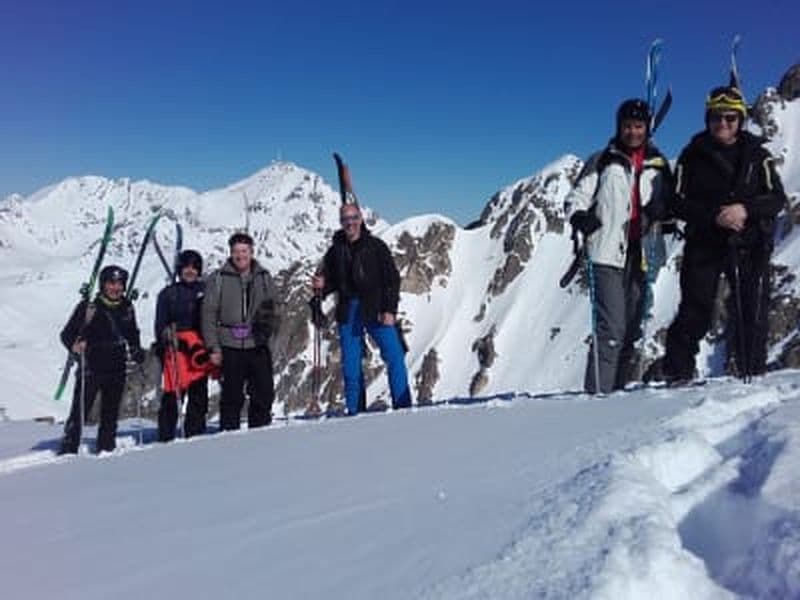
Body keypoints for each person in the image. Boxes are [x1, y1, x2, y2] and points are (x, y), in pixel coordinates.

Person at [648, 85, 786, 383]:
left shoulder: (757, 155)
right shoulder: (692, 155)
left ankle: (753, 376)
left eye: (729, 118)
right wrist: (715, 216)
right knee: (695, 310)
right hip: (705, 242)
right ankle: (677, 375)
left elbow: (777, 199)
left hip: (749, 243)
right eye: (715, 118)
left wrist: (745, 210)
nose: (722, 124)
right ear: (707, 119)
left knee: (752, 311)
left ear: (740, 119)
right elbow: (676, 201)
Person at [565, 98, 673, 393]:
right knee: (611, 329)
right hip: (605, 253)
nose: (633, 132)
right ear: (619, 127)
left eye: (638, 126)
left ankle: (617, 398)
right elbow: (577, 197)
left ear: (647, 128)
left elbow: (670, 201)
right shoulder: (602, 160)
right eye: (627, 126)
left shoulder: (658, 164)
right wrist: (580, 216)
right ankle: (598, 395)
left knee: (632, 329)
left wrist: (661, 209)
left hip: (643, 253)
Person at [311, 202, 411, 414]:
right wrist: (323, 286)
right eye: (346, 219)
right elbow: (332, 281)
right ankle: (355, 413)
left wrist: (389, 310)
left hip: (376, 307)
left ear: (361, 219)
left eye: (354, 218)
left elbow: (392, 279)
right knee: (351, 366)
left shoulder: (376, 246)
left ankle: (403, 409)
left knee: (394, 357)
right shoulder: (335, 251)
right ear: (341, 223)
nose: (350, 223)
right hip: (349, 309)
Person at [59, 265, 145, 454]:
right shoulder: (89, 307)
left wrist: (136, 348)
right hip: (91, 367)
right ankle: (68, 448)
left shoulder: (127, 307)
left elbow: (132, 333)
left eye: (120, 284)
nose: (116, 288)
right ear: (103, 285)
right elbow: (66, 334)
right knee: (81, 411)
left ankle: (106, 447)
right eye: (111, 283)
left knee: (111, 413)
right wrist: (75, 345)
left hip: (117, 367)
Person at [202, 232, 278, 430]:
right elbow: (209, 313)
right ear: (230, 252)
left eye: (244, 251)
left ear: (252, 252)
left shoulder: (264, 277)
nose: (240, 255)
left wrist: (269, 332)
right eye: (236, 251)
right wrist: (213, 347)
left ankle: (259, 437)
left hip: (258, 343)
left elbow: (276, 308)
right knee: (231, 397)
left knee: (263, 394)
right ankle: (229, 439)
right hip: (229, 345)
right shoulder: (218, 278)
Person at [154, 249, 215, 441]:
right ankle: (166, 436)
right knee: (172, 396)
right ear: (180, 270)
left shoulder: (206, 291)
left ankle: (195, 435)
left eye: (194, 268)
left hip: (199, 350)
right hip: (176, 351)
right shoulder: (168, 294)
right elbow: (160, 324)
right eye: (186, 268)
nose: (190, 271)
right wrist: (166, 337)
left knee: (199, 396)